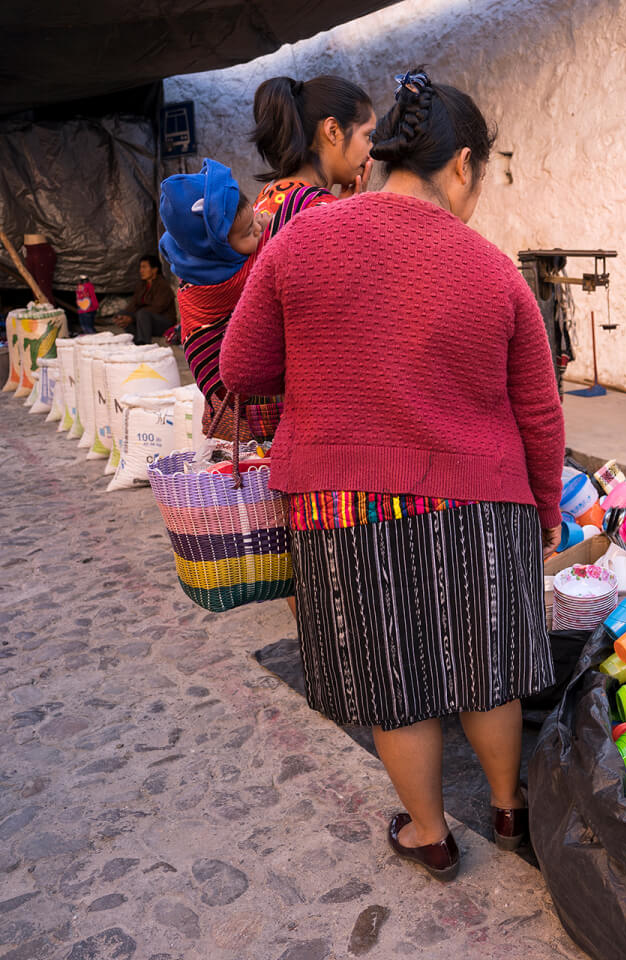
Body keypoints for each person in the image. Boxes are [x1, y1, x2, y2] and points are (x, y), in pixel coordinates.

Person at [222, 70, 564, 880]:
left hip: (344, 506)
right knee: (486, 669)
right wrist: (547, 510)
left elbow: (241, 366)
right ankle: (509, 809)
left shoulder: (301, 239)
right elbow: (540, 413)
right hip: (482, 503)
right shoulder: (495, 271)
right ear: (463, 163)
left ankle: (430, 833)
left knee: (392, 681)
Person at [158, 158, 269, 435]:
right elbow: (264, 259)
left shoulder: (191, 254)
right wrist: (268, 233)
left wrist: (253, 225)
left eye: (254, 222)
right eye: (248, 232)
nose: (258, 230)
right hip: (215, 357)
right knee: (244, 424)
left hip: (199, 336)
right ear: (217, 248)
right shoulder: (225, 279)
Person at [249, 75, 376, 227]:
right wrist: (347, 222)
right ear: (332, 131)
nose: (372, 150)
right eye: (368, 136)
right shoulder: (320, 211)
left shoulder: (270, 192)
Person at [114, 255, 174, 345]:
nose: (141, 270)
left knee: (142, 313)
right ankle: (134, 340)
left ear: (154, 270)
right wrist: (123, 316)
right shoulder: (142, 285)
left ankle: (143, 342)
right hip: (144, 320)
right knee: (124, 314)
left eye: (144, 267)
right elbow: (134, 304)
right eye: (141, 267)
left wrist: (133, 318)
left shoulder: (163, 285)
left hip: (163, 323)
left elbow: (158, 307)